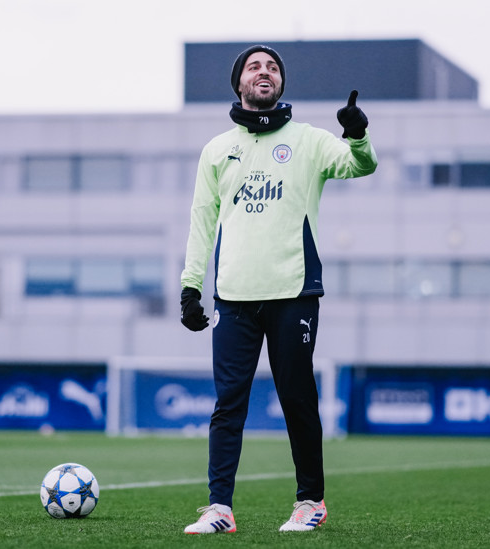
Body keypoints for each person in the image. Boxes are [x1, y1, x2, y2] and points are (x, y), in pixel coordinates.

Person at [179, 44, 377, 534]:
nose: (263, 72)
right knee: (228, 404)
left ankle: (310, 502)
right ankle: (219, 509)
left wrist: (356, 133)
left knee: (297, 397)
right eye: (254, 67)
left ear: (281, 84)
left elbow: (361, 165)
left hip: (294, 292)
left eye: (272, 68)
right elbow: (202, 221)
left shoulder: (309, 141)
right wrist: (190, 286)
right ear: (239, 84)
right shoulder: (216, 149)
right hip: (234, 297)